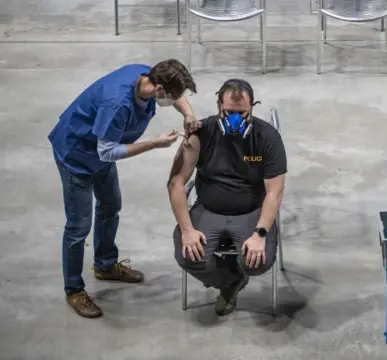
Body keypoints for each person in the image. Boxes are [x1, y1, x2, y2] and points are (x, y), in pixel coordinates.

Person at [49, 59, 200, 318]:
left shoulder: (146, 74)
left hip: (99, 150)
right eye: (173, 96)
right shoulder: (117, 105)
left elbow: (175, 95)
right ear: (159, 90)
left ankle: (105, 266)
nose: (176, 100)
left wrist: (188, 113)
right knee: (78, 226)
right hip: (77, 155)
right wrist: (153, 144)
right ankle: (74, 289)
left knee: (110, 206)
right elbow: (107, 152)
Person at [167, 79, 287, 316]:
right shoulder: (201, 133)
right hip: (209, 209)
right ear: (219, 107)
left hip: (250, 211)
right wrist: (187, 229)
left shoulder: (267, 137)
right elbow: (176, 182)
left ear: (252, 107)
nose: (235, 119)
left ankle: (236, 275)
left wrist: (260, 233)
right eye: (229, 113)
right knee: (189, 255)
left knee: (258, 262)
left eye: (242, 113)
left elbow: (275, 191)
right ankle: (231, 280)